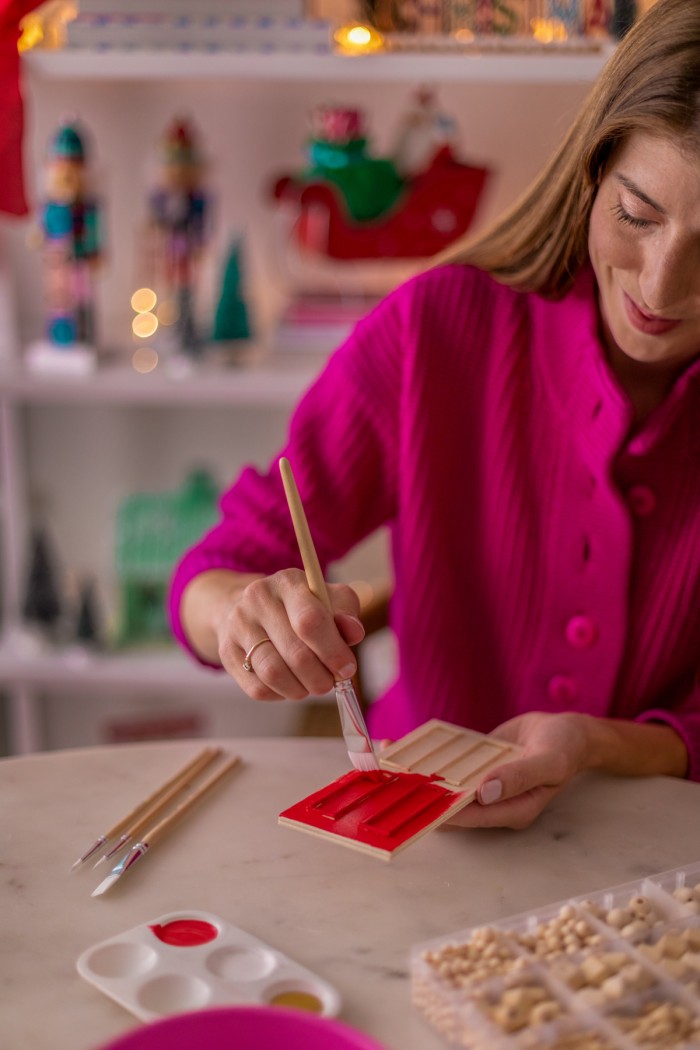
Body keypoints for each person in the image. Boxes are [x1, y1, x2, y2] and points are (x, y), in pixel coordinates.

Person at [170, 0, 700, 830]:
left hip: (659, 867)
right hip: (416, 836)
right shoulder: (435, 331)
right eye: (638, 216)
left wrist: (599, 746)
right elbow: (219, 564)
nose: (662, 288)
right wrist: (242, 617)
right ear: (593, 174)